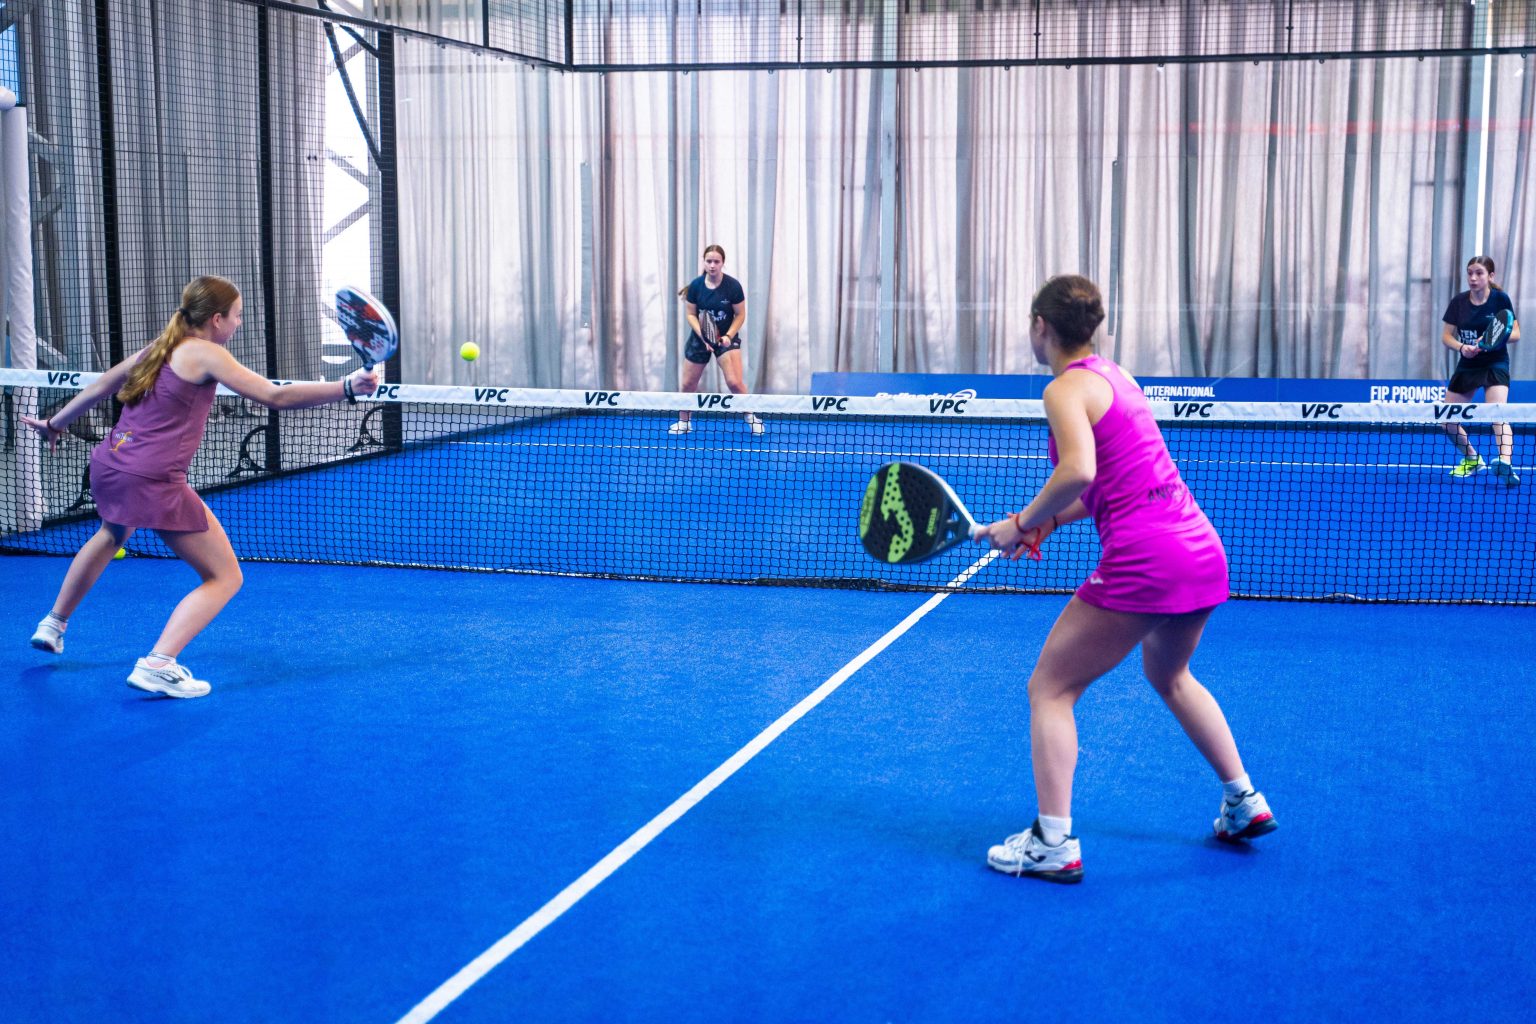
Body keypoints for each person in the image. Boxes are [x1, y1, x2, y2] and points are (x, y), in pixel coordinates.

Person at [974, 275, 1275, 883]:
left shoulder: (1063, 389)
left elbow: (1079, 470)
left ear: (1041, 326)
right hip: (1199, 549)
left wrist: (1020, 522)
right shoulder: (1118, 378)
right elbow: (1113, 483)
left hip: (1147, 560)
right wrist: (1048, 522)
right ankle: (1243, 800)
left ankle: (1053, 843)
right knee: (1171, 675)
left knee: (1050, 689)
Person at [22, 275, 379, 698]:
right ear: (216, 319)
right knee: (224, 576)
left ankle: (54, 623)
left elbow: (102, 385)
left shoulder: (161, 346)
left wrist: (55, 423)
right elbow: (274, 397)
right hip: (153, 479)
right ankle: (158, 664)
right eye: (237, 316)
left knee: (112, 534)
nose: (239, 324)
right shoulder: (207, 354)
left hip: (109, 464)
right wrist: (346, 388)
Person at [1441, 255, 1520, 486]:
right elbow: (1446, 336)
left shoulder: (1500, 299)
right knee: (1446, 421)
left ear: (1490, 276)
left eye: (1479, 273)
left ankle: (1505, 463)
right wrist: (1462, 347)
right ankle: (1472, 458)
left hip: (1495, 363)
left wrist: (1494, 340)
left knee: (1497, 413)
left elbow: (1516, 333)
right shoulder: (1458, 302)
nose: (1473, 278)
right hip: (1468, 365)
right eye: (1470, 273)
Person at [669, 244, 763, 435]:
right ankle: (684, 422)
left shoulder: (733, 286)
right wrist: (703, 336)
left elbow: (740, 315)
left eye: (716, 262)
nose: (712, 265)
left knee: (734, 382)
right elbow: (690, 314)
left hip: (726, 338)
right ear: (704, 262)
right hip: (700, 338)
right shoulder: (696, 286)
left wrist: (728, 336)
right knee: (687, 385)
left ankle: (752, 418)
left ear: (722, 263)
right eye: (709, 261)